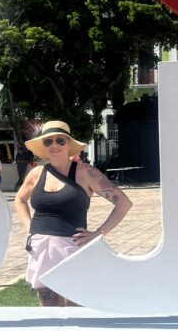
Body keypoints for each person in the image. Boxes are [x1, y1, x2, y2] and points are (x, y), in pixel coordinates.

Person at [14, 120, 132, 307]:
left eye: (60, 140)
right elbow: (19, 200)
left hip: (72, 248)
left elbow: (123, 204)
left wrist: (98, 234)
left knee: (74, 306)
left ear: (68, 144)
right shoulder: (36, 173)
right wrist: (30, 229)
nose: (54, 146)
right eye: (48, 141)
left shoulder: (85, 172)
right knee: (49, 307)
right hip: (40, 249)